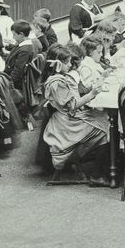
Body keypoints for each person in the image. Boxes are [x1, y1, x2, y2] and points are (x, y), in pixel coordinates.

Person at [41, 43, 110, 185]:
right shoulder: (56, 82)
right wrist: (92, 94)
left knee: (105, 119)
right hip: (66, 123)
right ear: (58, 64)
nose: (69, 65)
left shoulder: (60, 78)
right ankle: (97, 172)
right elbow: (72, 105)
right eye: (66, 62)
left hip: (68, 118)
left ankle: (97, 168)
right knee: (106, 129)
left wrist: (91, 89)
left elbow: (74, 97)